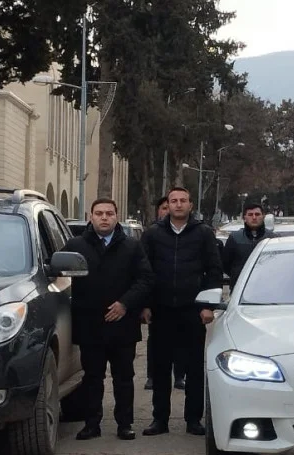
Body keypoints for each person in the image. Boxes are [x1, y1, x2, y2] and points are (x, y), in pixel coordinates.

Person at [62, 198, 154, 441]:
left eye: (109, 213)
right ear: (91, 216)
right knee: (92, 378)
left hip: (122, 324)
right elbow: (59, 274)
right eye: (99, 213)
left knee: (124, 377)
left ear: (116, 216)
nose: (104, 218)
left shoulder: (132, 246)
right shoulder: (75, 245)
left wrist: (125, 303)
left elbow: (145, 279)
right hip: (89, 324)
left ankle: (125, 424)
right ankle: (92, 424)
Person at [140, 186, 224, 436]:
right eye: (173, 201)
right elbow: (143, 272)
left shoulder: (203, 234)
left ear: (190, 205)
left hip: (192, 310)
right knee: (161, 368)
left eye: (183, 201)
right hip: (161, 310)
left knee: (195, 369)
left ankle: (193, 420)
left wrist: (208, 305)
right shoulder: (153, 234)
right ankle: (160, 420)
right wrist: (144, 305)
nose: (178, 205)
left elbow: (214, 270)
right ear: (167, 205)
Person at [144, 195, 186, 392]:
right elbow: (143, 270)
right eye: (163, 208)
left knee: (180, 342)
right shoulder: (151, 234)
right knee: (156, 344)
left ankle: (179, 375)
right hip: (157, 301)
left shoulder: (192, 233)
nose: (166, 211)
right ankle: (153, 376)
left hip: (184, 302)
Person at [222, 202, 275, 285]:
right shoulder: (235, 238)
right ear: (244, 217)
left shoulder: (273, 239)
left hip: (267, 287)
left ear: (263, 216)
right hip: (239, 288)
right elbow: (226, 264)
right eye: (250, 215)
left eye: (257, 214)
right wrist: (238, 275)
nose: (254, 217)